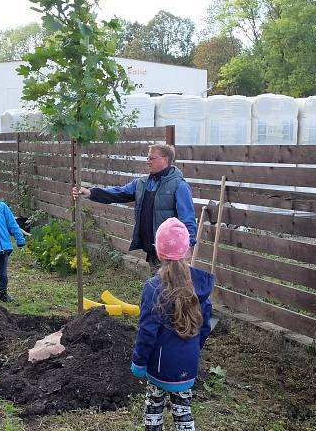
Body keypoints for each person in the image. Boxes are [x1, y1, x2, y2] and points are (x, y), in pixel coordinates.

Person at [130, 217, 214, 431]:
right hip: (188, 365)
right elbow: (204, 327)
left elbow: (147, 332)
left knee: (154, 404)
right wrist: (194, 349)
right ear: (186, 251)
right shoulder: (200, 287)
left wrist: (139, 362)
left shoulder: (154, 288)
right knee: (183, 409)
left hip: (160, 367)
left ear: (158, 252)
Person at [72, 143, 196, 267]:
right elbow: (118, 193)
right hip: (153, 248)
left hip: (172, 253)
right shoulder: (142, 183)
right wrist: (90, 193)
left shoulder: (179, 186)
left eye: (151, 158)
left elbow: (188, 219)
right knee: (156, 283)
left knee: (172, 285)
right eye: (147, 158)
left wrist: (187, 247)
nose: (148, 162)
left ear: (165, 160)